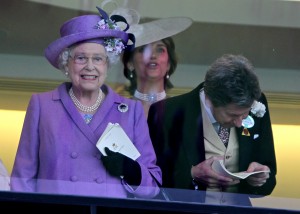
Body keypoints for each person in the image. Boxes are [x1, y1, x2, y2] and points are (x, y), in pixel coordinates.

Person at [10, 6, 162, 199]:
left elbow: (153, 186)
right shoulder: (42, 105)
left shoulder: (130, 111)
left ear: (107, 64)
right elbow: (22, 179)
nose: (90, 67)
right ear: (67, 63)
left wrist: (130, 170)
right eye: (81, 58)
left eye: (98, 59)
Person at [147, 54, 277, 199]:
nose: (239, 122)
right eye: (232, 115)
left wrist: (259, 179)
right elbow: (151, 177)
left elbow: (269, 174)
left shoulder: (258, 103)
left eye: (244, 115)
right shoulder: (168, 112)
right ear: (210, 99)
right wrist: (192, 174)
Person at [113, 4, 192, 117]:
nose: (153, 55)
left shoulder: (183, 111)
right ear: (130, 64)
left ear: (169, 64)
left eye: (160, 49)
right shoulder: (118, 112)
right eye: (143, 49)